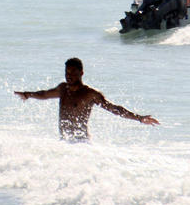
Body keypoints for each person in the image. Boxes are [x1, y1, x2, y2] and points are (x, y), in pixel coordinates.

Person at [14, 57, 159, 142]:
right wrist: (28, 94)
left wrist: (139, 118)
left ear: (81, 73)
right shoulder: (62, 89)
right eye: (67, 73)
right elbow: (45, 94)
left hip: (81, 144)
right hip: (64, 143)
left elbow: (114, 108)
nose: (69, 76)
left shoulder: (90, 94)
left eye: (73, 73)